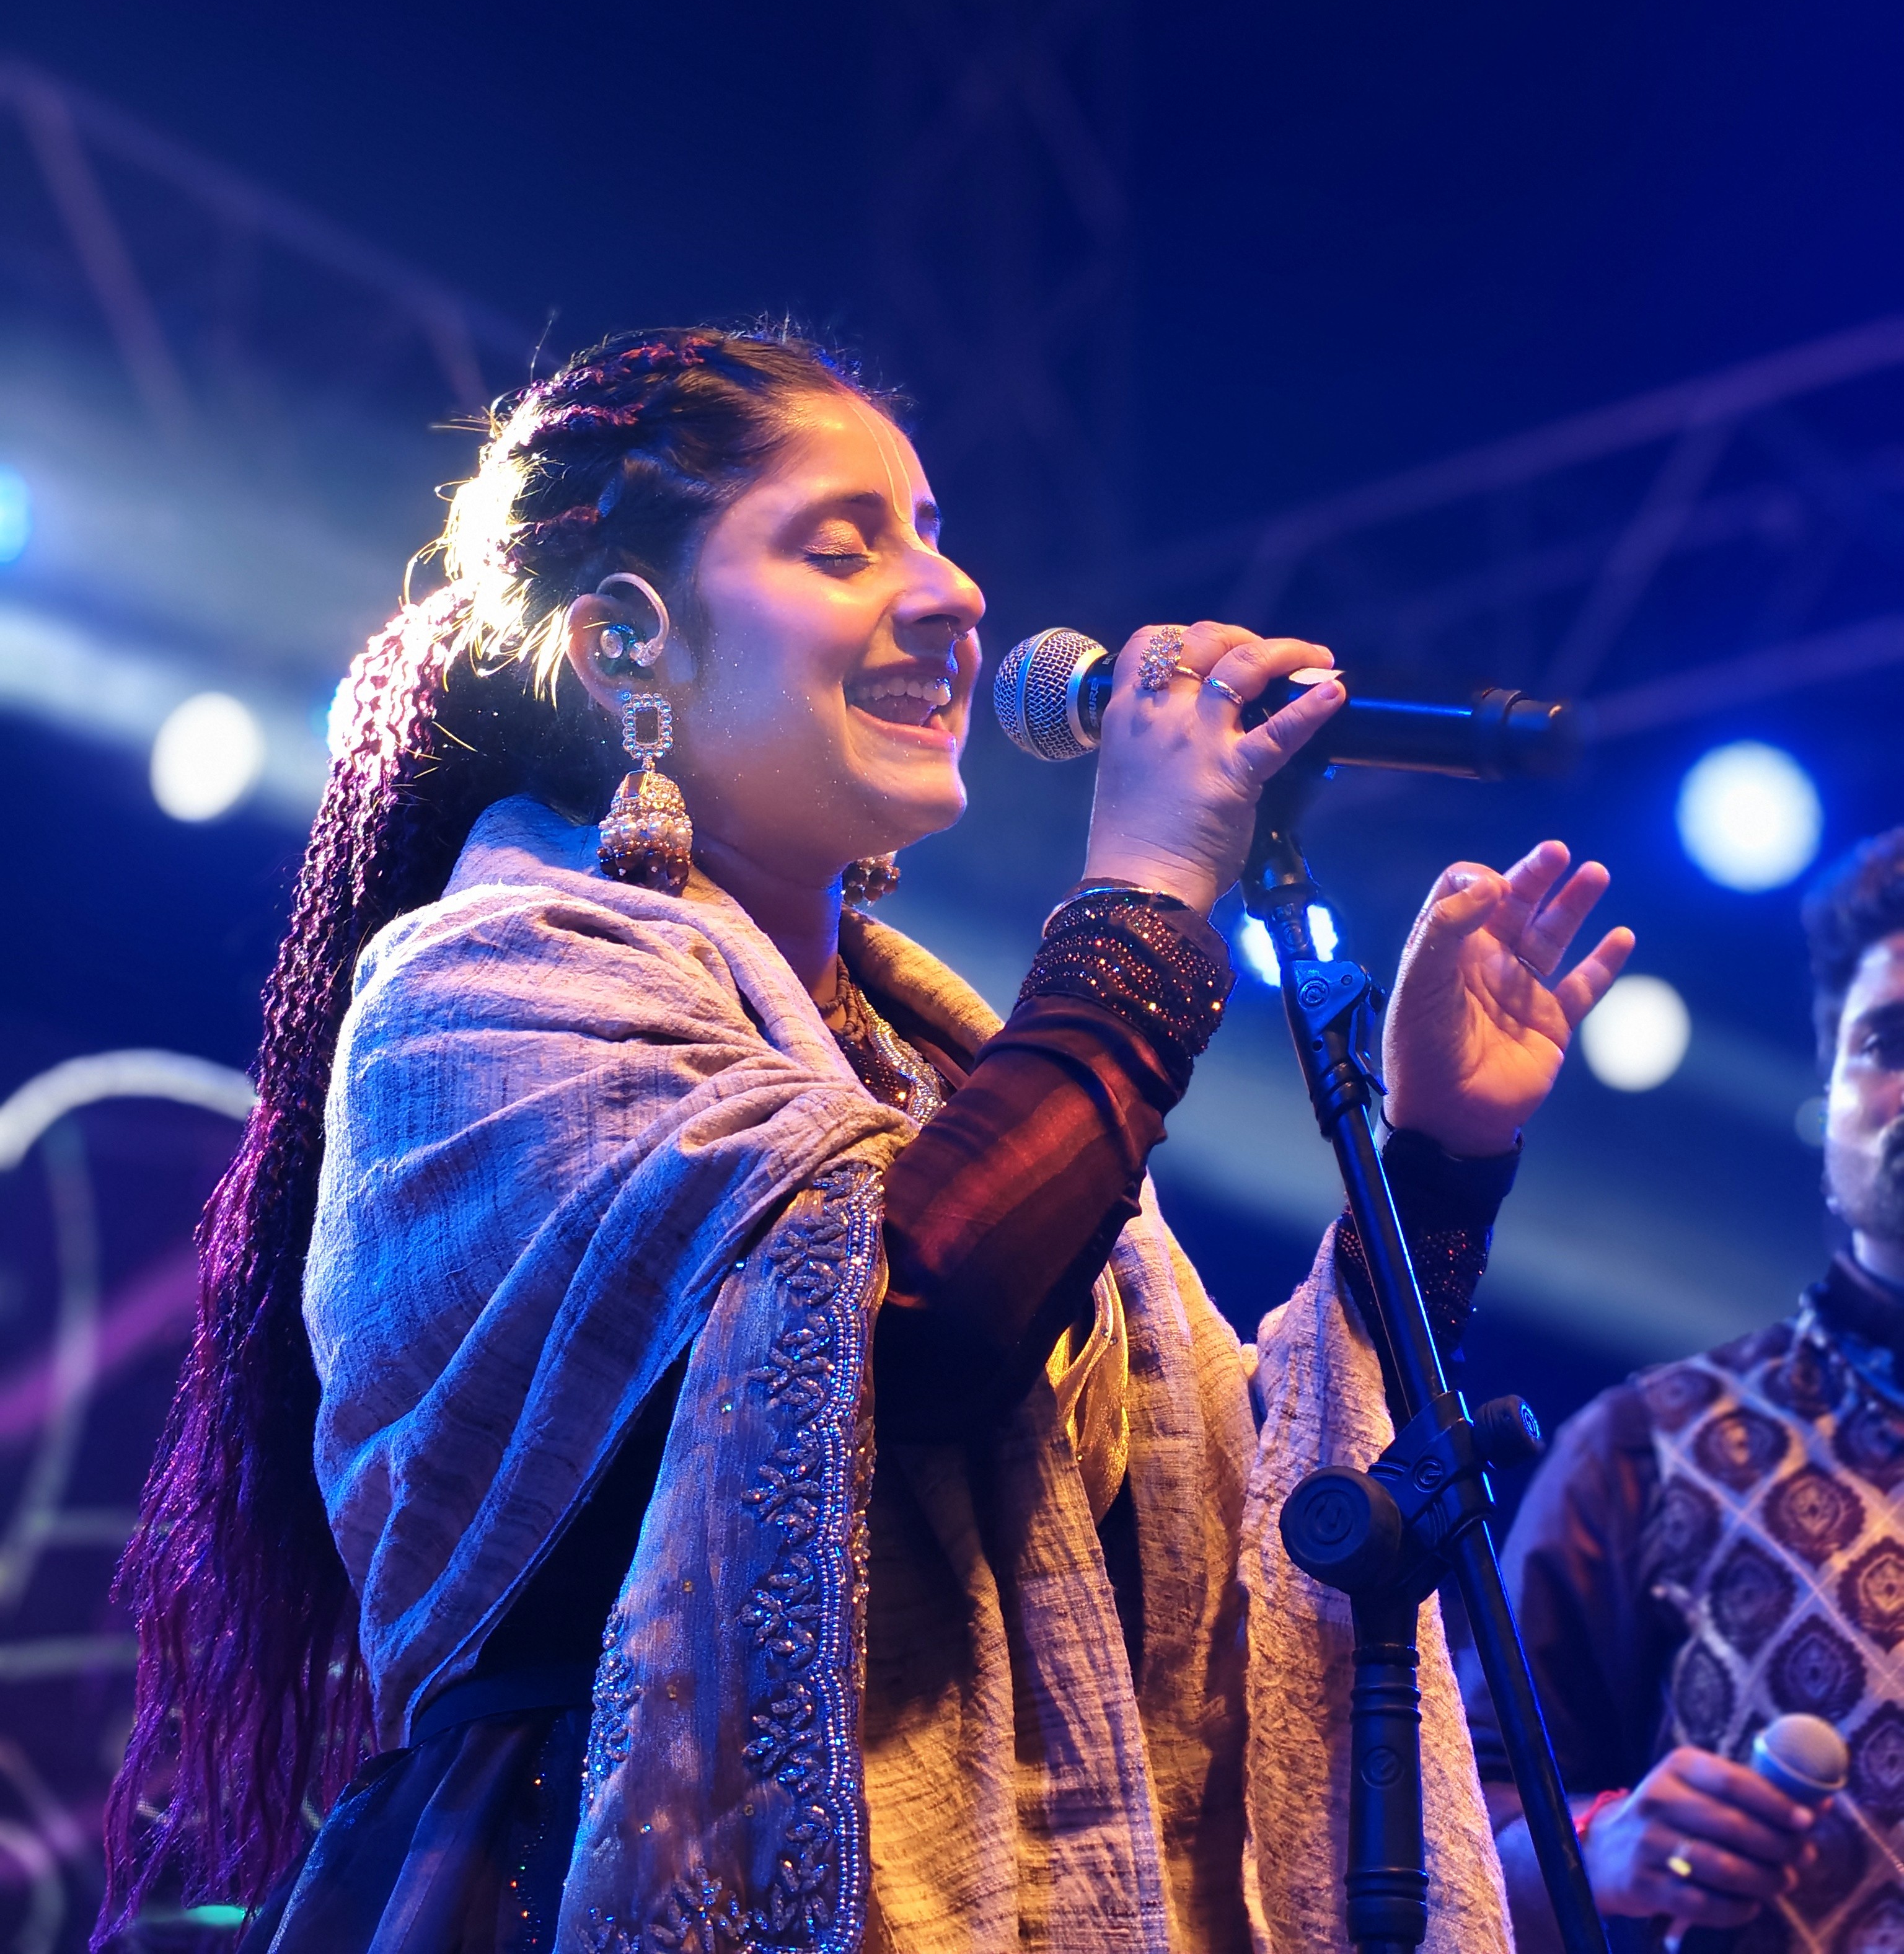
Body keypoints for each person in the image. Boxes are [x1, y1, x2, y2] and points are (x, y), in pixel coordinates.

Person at [98, 327, 1629, 1954]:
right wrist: (1145, 899)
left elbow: (1243, 1514)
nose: (955, 594)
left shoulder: (929, 1065)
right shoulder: (484, 990)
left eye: (935, 533)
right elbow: (903, 1326)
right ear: (625, 646)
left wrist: (1441, 1158)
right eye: (843, 546)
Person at [1462, 827, 1904, 1953]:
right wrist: (1594, 1843)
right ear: (1832, 1088)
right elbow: (1446, 1833)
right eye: (1889, 1041)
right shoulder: (1645, 1448)